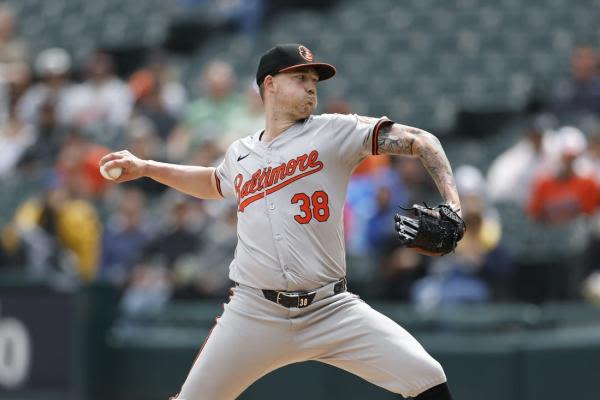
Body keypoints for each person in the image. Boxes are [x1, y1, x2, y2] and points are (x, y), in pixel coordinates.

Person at [100, 44, 462, 400]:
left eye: (314, 81)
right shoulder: (241, 152)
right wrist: (146, 167)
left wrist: (454, 208)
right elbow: (213, 182)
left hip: (330, 308)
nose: (310, 86)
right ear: (269, 85)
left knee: (427, 378)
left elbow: (421, 141)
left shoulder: (335, 132)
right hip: (254, 312)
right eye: (300, 77)